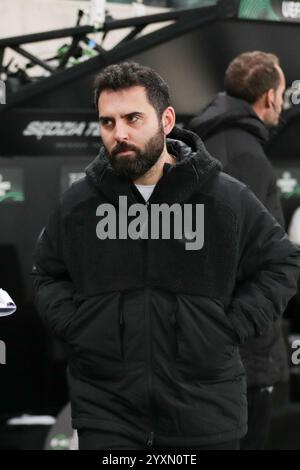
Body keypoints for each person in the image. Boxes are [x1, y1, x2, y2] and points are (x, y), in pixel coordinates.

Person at [32, 62, 300, 450]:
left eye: (133, 118)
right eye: (108, 123)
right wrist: (81, 326)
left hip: (205, 414)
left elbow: (281, 263)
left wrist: (229, 326)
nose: (119, 133)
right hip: (110, 417)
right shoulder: (80, 204)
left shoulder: (225, 198)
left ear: (167, 120)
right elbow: (47, 274)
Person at [188, 51, 290, 449]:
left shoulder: (211, 139)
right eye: (281, 93)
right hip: (237, 358)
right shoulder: (244, 153)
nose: (281, 103)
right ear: (269, 97)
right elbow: (246, 258)